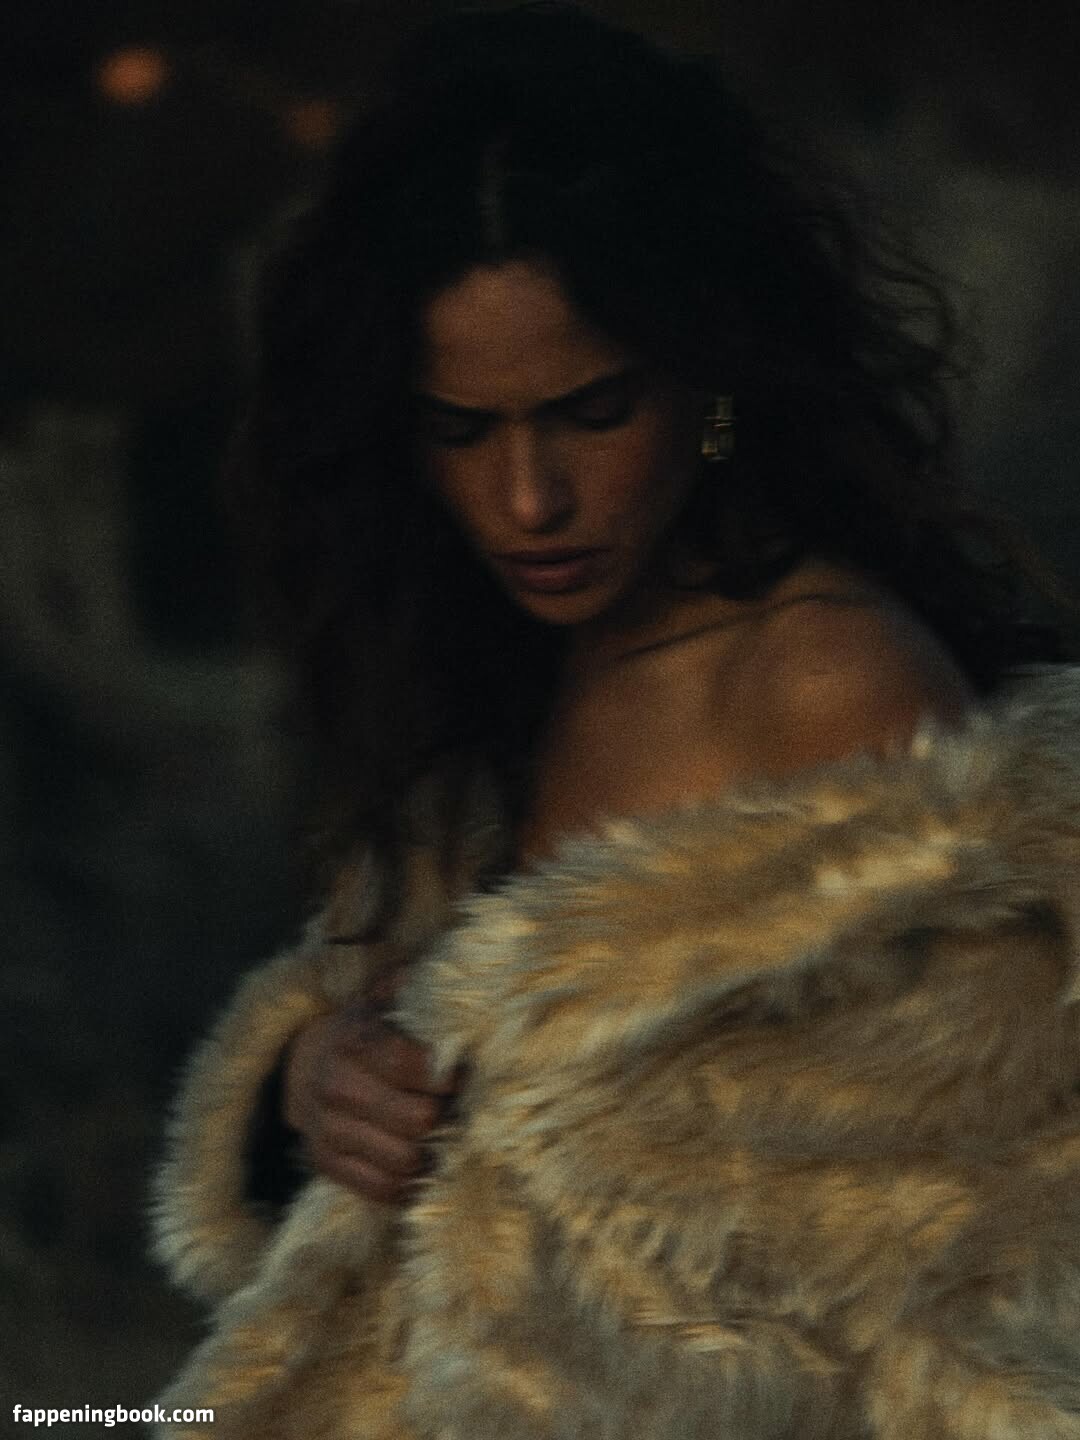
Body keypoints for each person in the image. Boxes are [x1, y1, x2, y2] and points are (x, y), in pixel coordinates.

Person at [153, 7, 1080, 1438]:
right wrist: (313, 1079)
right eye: (462, 430)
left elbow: (947, 1287)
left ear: (708, 387)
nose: (529, 502)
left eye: (592, 413)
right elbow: (389, 1088)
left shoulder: (829, 685)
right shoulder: (472, 690)